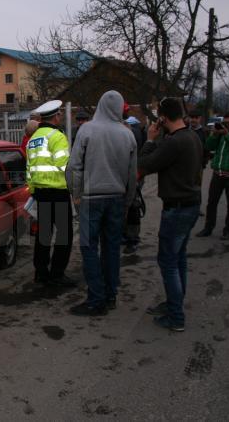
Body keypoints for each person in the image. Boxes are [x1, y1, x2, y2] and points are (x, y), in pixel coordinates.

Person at [66, 90, 137, 316]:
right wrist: (127, 202)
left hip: (90, 198)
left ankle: (95, 299)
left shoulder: (87, 129)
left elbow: (74, 168)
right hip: (116, 199)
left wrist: (76, 196)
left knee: (89, 248)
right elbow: (132, 175)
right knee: (112, 247)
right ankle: (110, 294)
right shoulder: (128, 135)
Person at [138, 97, 203, 332]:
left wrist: (150, 140)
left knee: (168, 262)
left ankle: (176, 316)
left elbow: (144, 163)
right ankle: (174, 303)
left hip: (177, 208)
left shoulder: (174, 142)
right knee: (179, 258)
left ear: (163, 118)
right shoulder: (192, 136)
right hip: (191, 204)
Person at [26, 100, 75, 286]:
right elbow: (65, 167)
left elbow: (29, 169)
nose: (61, 116)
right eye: (60, 114)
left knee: (44, 234)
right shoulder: (57, 136)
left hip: (40, 193)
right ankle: (57, 275)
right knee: (64, 235)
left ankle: (40, 273)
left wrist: (33, 191)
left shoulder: (33, 139)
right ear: (56, 116)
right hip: (58, 192)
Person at [196, 111, 229, 241]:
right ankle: (208, 228)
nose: (227, 125)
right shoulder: (220, 134)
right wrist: (214, 134)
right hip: (217, 174)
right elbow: (208, 146)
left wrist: (227, 134)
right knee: (211, 203)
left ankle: (228, 230)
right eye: (225, 123)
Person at [122, 116, 146, 253]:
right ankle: (127, 236)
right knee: (127, 208)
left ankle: (132, 239)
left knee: (132, 208)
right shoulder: (128, 132)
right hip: (123, 179)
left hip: (133, 177)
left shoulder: (132, 135)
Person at [188, 110, 211, 216]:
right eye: (191, 117)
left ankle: (196, 208)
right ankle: (186, 207)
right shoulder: (184, 130)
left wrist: (203, 163)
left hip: (198, 165)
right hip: (184, 165)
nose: (193, 120)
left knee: (197, 187)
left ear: (199, 119)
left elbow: (207, 149)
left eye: (196, 118)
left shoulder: (204, 132)